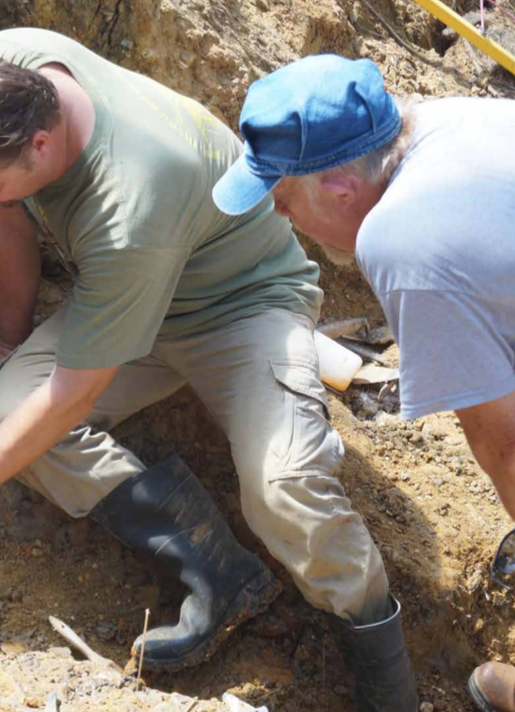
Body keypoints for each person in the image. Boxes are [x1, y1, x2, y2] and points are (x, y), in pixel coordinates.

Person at [0, 28, 414, 707]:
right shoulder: (0, 71)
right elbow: (2, 214)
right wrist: (7, 344)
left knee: (285, 487)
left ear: (41, 146)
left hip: (239, 304)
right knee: (2, 411)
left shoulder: (129, 199)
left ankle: (382, 663)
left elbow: (72, 396)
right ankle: (217, 574)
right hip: (129, 302)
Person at [212, 52, 514, 712]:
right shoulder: (450, 120)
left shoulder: (403, 241)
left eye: (283, 199)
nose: (282, 217)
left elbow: (508, 450)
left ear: (341, 190)